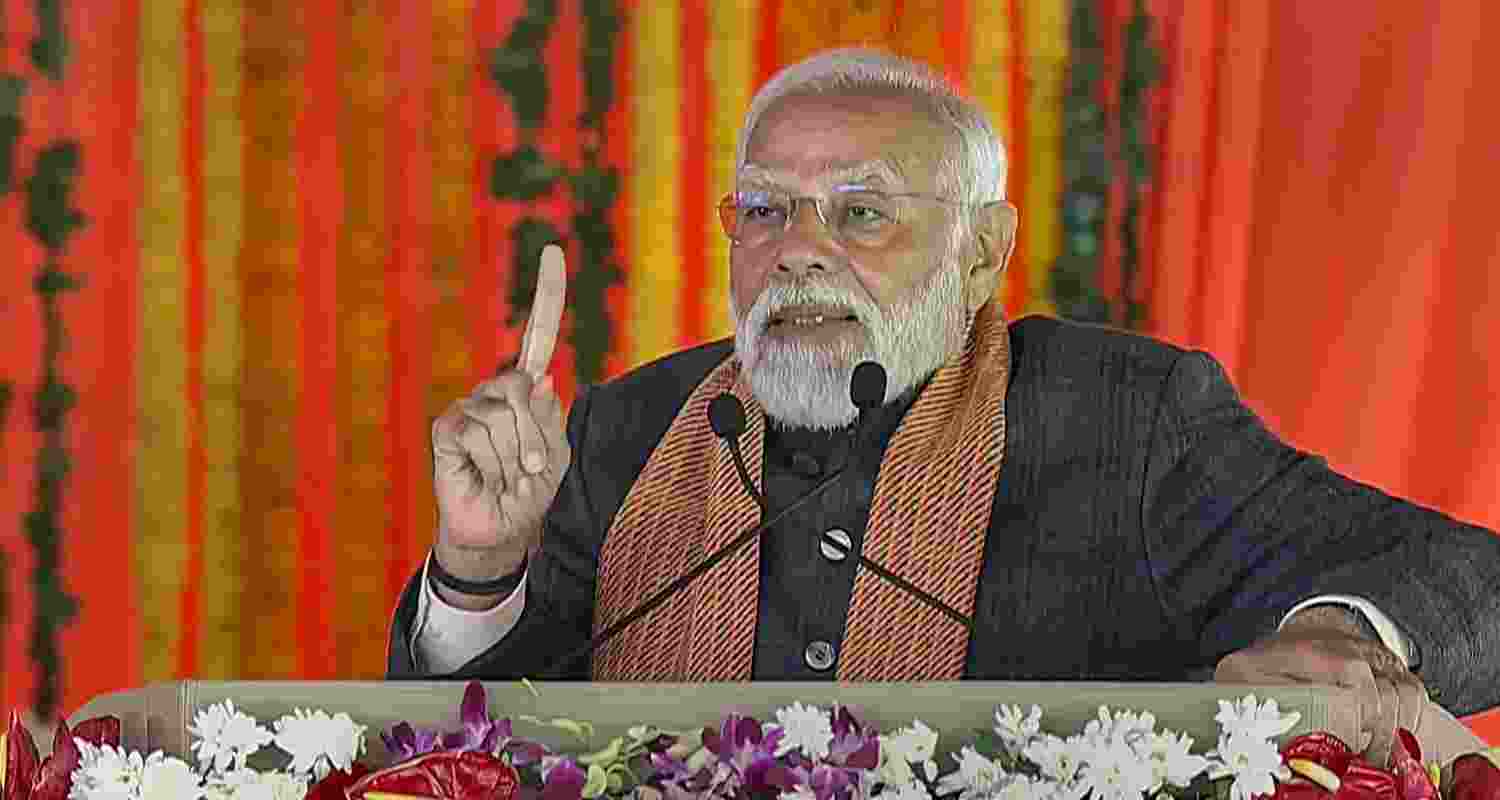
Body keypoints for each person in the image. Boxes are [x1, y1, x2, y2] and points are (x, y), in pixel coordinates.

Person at [387, 49, 1500, 757]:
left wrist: (1332, 635)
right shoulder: (628, 428)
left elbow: (1472, 580)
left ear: (981, 252)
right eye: (765, 210)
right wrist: (478, 566)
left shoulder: (1126, 419)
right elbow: (474, 759)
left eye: (860, 214)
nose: (798, 255)